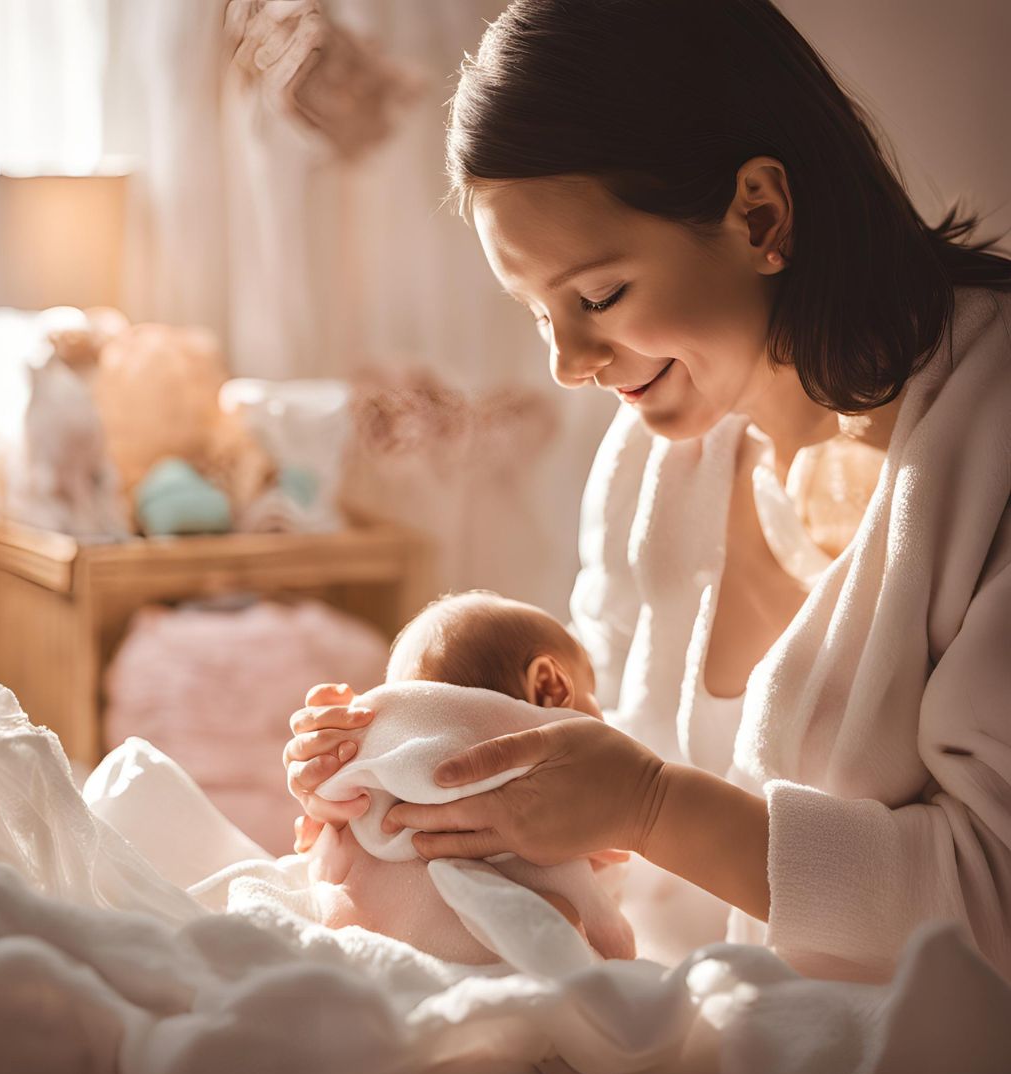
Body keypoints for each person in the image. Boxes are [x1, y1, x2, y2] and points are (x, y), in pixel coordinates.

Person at [285, 0, 1011, 981]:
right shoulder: (652, 457)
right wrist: (390, 783)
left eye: (597, 298)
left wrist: (656, 809)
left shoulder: (986, 437)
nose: (569, 363)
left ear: (761, 214)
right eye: (539, 310)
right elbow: (587, 800)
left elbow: (995, 895)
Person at [286, 590, 634, 964]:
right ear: (552, 687)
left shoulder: (380, 767)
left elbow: (324, 867)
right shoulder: (559, 805)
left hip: (364, 952)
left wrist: (333, 817)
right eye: (592, 696)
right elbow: (612, 941)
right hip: (489, 973)